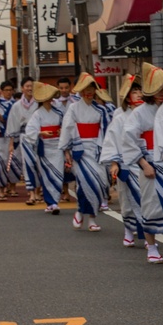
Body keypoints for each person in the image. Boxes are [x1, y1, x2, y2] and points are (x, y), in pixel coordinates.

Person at [121, 64, 163, 264]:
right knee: (150, 205)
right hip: (150, 162)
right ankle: (151, 246)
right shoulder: (139, 113)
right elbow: (128, 139)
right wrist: (143, 163)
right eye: (158, 88)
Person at [60, 73, 111, 232]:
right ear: (81, 92)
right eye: (85, 90)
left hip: (96, 149)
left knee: (99, 183)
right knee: (84, 183)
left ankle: (92, 218)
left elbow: (106, 131)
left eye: (91, 89)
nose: (89, 93)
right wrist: (67, 150)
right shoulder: (74, 108)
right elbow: (68, 128)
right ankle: (80, 211)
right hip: (79, 150)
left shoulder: (101, 110)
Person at [101, 73, 145, 247]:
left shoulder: (151, 114)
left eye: (140, 90)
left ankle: (149, 235)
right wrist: (114, 162)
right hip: (127, 163)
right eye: (134, 91)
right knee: (127, 200)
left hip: (146, 163)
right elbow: (112, 140)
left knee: (147, 200)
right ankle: (128, 229)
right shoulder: (120, 118)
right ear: (127, 96)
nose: (139, 94)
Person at [22, 81, 66, 214]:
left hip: (57, 146)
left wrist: (61, 131)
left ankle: (55, 201)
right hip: (45, 147)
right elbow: (30, 130)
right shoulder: (37, 114)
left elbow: (66, 127)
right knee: (46, 175)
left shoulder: (59, 112)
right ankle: (50, 202)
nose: (49, 100)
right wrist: (40, 133)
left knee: (58, 174)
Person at [6, 76, 41, 206]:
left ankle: (38, 191)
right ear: (22, 88)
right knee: (27, 165)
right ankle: (31, 193)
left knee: (38, 164)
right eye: (27, 86)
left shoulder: (39, 103)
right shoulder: (16, 106)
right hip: (24, 137)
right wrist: (11, 143)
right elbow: (12, 124)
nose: (29, 88)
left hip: (38, 136)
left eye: (31, 86)